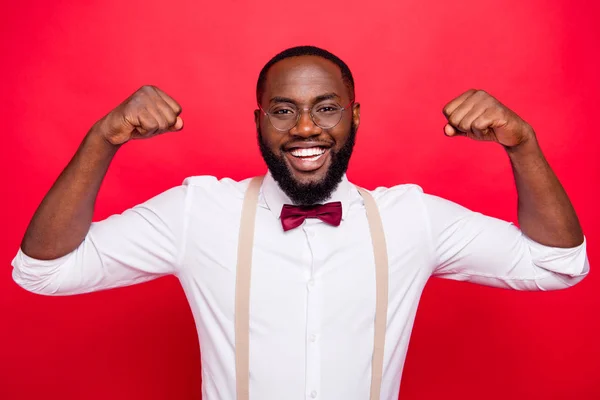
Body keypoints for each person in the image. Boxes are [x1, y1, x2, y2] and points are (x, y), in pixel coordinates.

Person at [12, 46, 589, 400]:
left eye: (327, 107)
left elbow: (558, 263)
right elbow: (43, 271)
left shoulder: (412, 218)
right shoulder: (197, 212)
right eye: (284, 110)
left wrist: (523, 146)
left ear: (354, 115)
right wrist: (102, 140)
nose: (305, 127)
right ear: (260, 120)